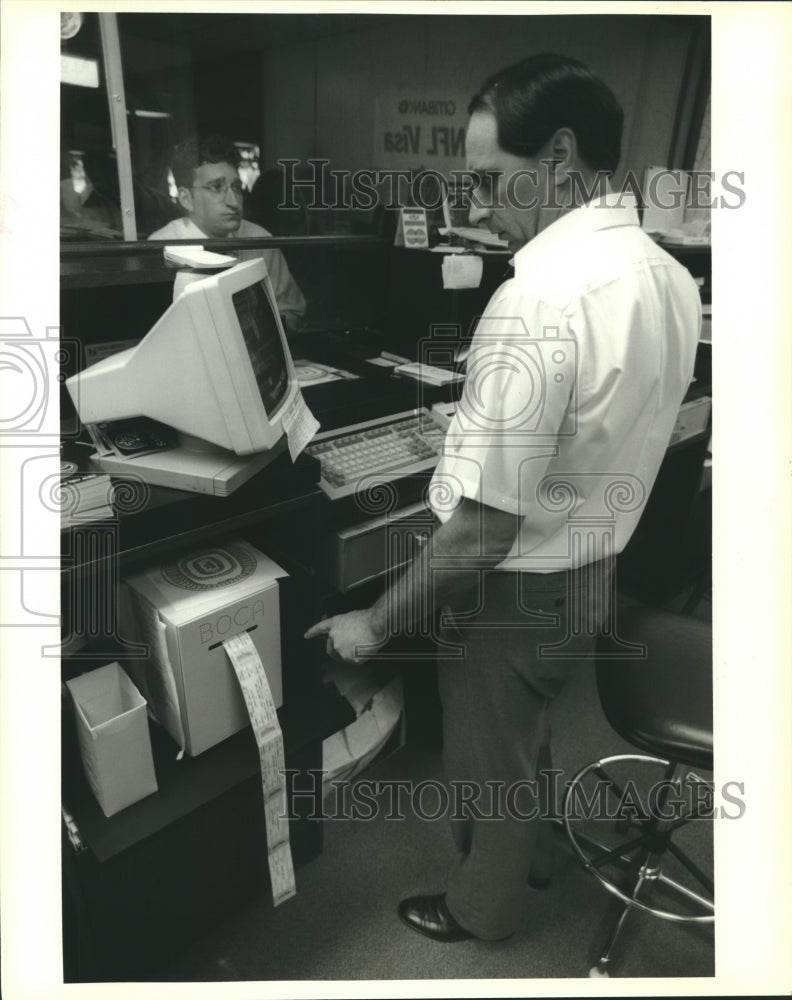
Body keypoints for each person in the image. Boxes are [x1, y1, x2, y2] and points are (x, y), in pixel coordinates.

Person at [305, 53, 701, 944]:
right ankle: (536, 856)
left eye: (489, 178)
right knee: (528, 735)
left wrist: (372, 625)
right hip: (595, 564)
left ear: (560, 155)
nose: (476, 203)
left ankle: (481, 910)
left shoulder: (536, 300)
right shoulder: (667, 275)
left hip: (515, 590)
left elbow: (482, 532)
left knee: (489, 759)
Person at [149, 135, 306, 331]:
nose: (233, 201)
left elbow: (291, 312)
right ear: (186, 198)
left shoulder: (259, 239)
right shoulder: (161, 247)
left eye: (236, 187)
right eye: (217, 187)